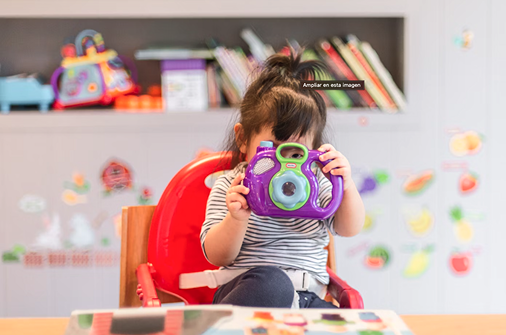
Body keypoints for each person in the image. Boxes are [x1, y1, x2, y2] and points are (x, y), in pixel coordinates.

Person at [200, 49, 365, 308]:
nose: (284, 164)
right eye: (273, 148)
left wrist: (346, 184)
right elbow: (216, 254)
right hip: (251, 292)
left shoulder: (316, 183)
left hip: (308, 298)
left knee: (343, 324)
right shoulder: (233, 186)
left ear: (313, 150)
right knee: (273, 284)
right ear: (243, 139)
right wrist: (236, 218)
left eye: (295, 152)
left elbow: (349, 228)